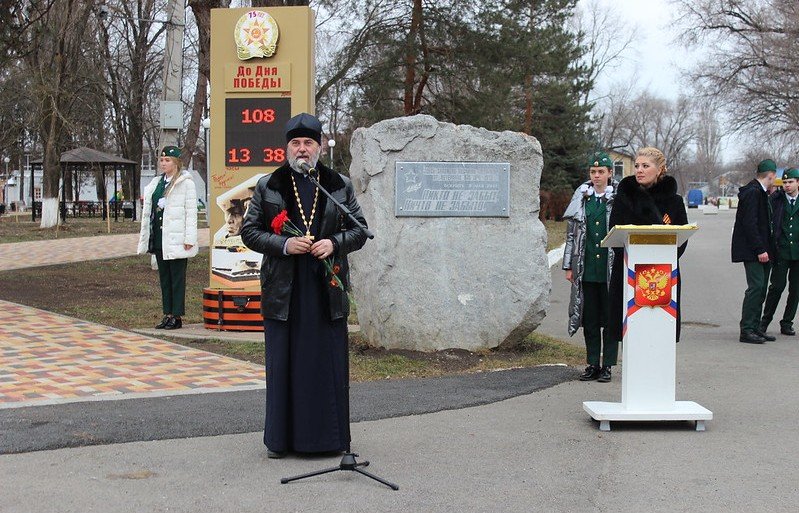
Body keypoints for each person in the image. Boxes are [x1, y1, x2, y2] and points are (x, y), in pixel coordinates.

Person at [240, 113, 369, 459]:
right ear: (287, 147)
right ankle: (280, 441)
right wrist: (284, 244)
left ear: (319, 147)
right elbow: (249, 231)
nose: (301, 149)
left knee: (324, 364)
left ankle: (330, 439)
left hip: (325, 288)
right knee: (285, 365)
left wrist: (334, 242)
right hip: (285, 290)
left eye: (308, 143)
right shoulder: (270, 185)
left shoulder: (338, 184)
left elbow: (360, 230)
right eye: (295, 143)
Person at [607, 147, 689, 376]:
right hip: (629, 274)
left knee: (659, 328)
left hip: (663, 275)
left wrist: (661, 254)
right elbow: (614, 234)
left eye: (645, 166)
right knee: (633, 330)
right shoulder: (624, 198)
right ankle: (636, 377)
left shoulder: (674, 201)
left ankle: (658, 378)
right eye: (637, 166)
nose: (639, 170)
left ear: (660, 169)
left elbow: (682, 239)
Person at [562, 151, 616, 382]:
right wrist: (568, 266)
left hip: (610, 269)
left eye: (601, 172)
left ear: (610, 174)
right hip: (586, 269)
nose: (596, 176)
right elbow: (571, 236)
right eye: (593, 172)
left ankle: (608, 365)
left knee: (610, 319)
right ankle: (593, 362)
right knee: (590, 319)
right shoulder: (582, 200)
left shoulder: (616, 200)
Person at [137, 146, 198, 330]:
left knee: (177, 278)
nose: (164, 163)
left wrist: (190, 238)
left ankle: (177, 316)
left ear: (176, 163)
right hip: (160, 237)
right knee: (165, 278)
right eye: (162, 160)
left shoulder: (186, 183)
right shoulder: (157, 183)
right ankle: (167, 313)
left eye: (168, 160)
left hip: (178, 238)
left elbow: (191, 212)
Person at [732, 159, 777, 343]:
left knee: (761, 289)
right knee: (756, 288)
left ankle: (756, 327)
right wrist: (760, 249)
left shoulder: (760, 192)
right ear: (771, 175)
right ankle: (747, 329)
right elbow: (750, 224)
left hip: (762, 250)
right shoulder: (753, 193)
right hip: (753, 251)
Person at [760, 167, 799, 337]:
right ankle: (765, 321)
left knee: (796, 289)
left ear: (798, 182)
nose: (787, 186)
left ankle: (787, 322)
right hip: (781, 251)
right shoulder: (775, 200)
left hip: (797, 252)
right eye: (784, 182)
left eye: (790, 182)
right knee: (777, 287)